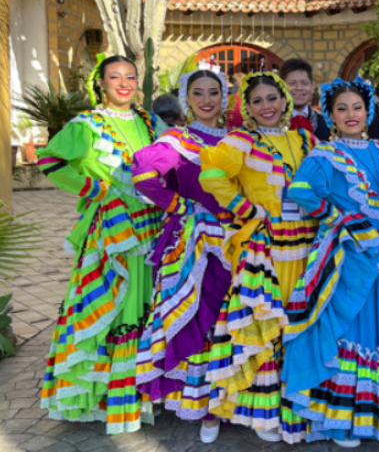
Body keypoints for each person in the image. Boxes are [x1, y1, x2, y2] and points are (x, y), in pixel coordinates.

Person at [37, 55, 166, 434]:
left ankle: (141, 395)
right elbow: (49, 160)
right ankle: (102, 398)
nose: (124, 83)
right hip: (111, 234)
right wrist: (95, 189)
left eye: (130, 76)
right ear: (102, 83)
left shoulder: (150, 122)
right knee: (113, 306)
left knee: (145, 307)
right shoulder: (86, 125)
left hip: (151, 228)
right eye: (115, 77)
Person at [199, 71, 319, 443]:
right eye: (257, 101)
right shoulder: (241, 141)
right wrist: (245, 208)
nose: (267, 107)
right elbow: (212, 175)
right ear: (247, 109)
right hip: (267, 246)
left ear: (285, 99)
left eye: (273, 98)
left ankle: (300, 405)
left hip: (308, 242)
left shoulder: (304, 138)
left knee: (302, 321)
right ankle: (265, 412)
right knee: (268, 325)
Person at [282, 77, 379, 448]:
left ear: (369, 112)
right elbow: (300, 191)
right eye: (342, 108)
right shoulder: (323, 155)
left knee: (376, 327)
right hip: (346, 253)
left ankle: (371, 413)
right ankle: (340, 420)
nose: (351, 114)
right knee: (348, 325)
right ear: (329, 115)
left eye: (357, 107)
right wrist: (338, 217)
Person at [132, 69, 233, 443]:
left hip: (236, 242)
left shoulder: (238, 138)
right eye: (198, 93)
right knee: (199, 319)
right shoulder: (177, 140)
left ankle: (232, 399)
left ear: (224, 97)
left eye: (214, 92)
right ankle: (204, 406)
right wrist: (178, 205)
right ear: (186, 98)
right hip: (194, 245)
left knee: (230, 320)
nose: (207, 100)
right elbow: (142, 173)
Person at [281, 58, 331, 141]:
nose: (299, 88)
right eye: (292, 83)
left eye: (304, 83)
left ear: (312, 87)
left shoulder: (326, 124)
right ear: (282, 87)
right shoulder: (274, 124)